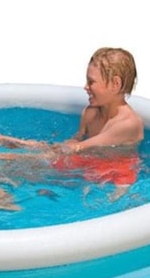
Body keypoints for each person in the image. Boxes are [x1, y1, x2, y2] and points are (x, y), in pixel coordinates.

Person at [54, 47, 145, 195]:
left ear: (115, 84)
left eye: (91, 82)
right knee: (39, 169)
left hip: (119, 173)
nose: (85, 87)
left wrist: (33, 148)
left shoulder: (129, 123)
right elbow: (77, 140)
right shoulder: (90, 113)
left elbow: (79, 147)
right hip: (90, 161)